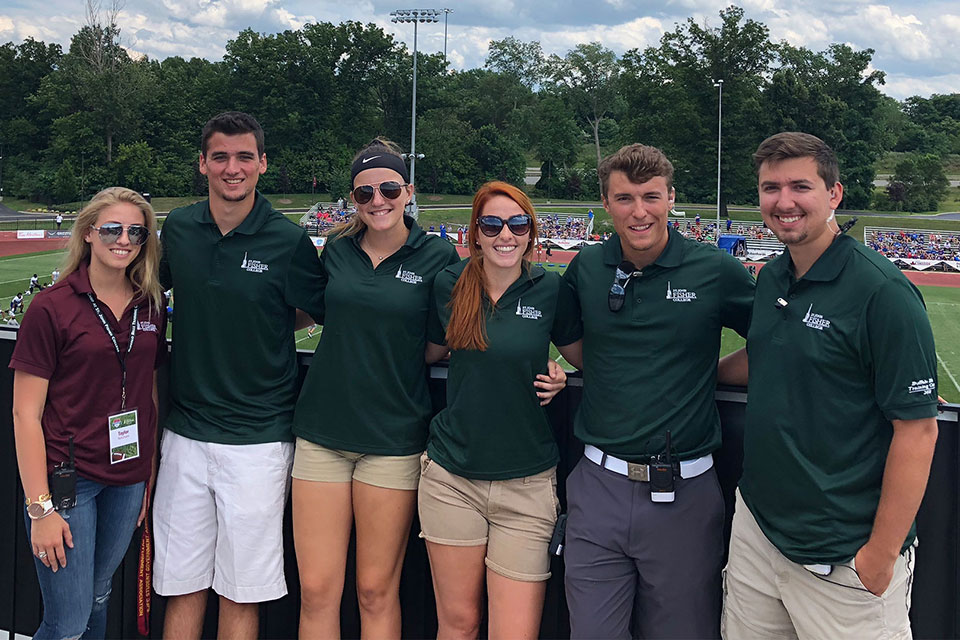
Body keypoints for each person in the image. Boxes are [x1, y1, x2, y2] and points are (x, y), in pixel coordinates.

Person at [719, 132, 939, 638]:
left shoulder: (882, 291)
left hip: (843, 554)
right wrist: (689, 378)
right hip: (759, 532)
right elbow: (767, 356)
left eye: (801, 186)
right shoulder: (774, 277)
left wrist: (880, 556)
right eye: (770, 188)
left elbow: (918, 430)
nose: (784, 201)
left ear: (834, 194)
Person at [556, 143, 755, 639]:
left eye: (650, 197)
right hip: (597, 483)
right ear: (606, 204)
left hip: (684, 490)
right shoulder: (587, 267)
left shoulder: (714, 270)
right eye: (624, 199)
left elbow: (777, 343)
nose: (638, 211)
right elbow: (568, 338)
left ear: (671, 198)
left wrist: (706, 374)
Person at [152, 112, 324, 640]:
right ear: (203, 163)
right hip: (183, 435)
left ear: (262, 164)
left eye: (244, 156)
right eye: (221, 156)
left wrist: (263, 321)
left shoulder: (287, 240)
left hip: (259, 441)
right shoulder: (178, 228)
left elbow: (311, 311)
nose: (233, 168)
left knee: (240, 590)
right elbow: (143, 294)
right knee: (181, 585)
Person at [288, 138, 463, 639]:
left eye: (388, 188)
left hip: (391, 440)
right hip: (322, 432)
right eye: (365, 193)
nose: (378, 201)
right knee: (318, 590)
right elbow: (312, 314)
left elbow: (442, 342)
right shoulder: (338, 250)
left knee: (374, 589)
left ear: (407, 191)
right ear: (353, 200)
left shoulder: (436, 254)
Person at [420, 181, 578, 639]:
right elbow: (429, 351)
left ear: (530, 232)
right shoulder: (450, 283)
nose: (504, 234)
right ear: (476, 231)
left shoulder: (550, 288)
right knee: (458, 624)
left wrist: (562, 374)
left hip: (526, 484)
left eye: (517, 223)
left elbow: (579, 353)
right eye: (491, 223)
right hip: (452, 478)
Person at [11, 186, 166, 640]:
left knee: (99, 595)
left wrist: (148, 469)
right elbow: (24, 413)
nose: (124, 240)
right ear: (89, 233)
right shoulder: (51, 307)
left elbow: (148, 390)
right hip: (68, 479)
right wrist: (39, 508)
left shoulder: (151, 303)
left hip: (128, 479)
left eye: (136, 231)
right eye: (113, 229)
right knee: (67, 623)